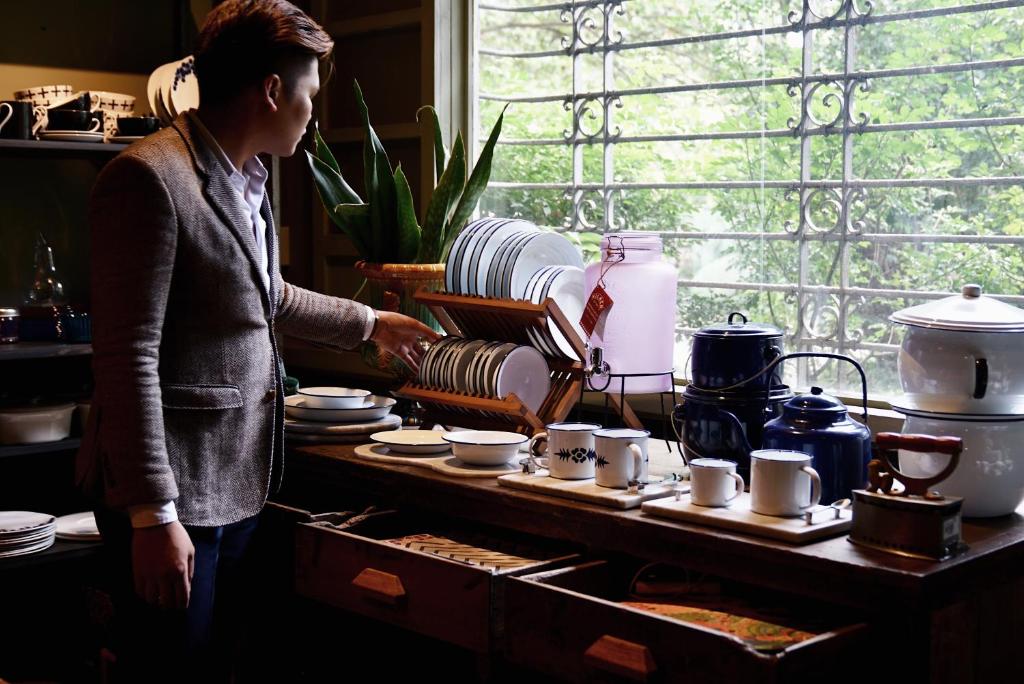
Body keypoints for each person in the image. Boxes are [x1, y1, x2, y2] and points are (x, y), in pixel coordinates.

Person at [75, 1, 439, 680]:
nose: (312, 112)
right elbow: (127, 360)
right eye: (309, 95)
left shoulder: (247, 178)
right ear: (272, 90)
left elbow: (264, 294)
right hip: (173, 497)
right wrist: (153, 516)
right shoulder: (147, 178)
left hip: (237, 482)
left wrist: (371, 324)